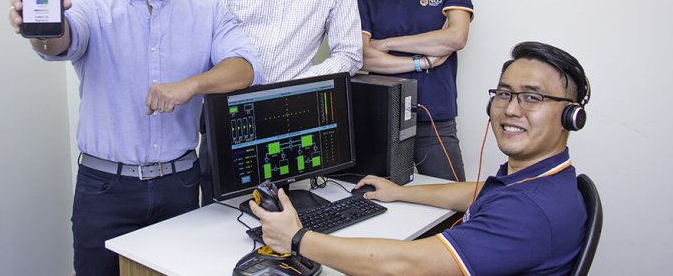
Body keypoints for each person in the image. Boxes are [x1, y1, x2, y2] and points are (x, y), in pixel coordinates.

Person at [7, 0, 262, 276]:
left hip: (178, 186)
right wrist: (41, 29)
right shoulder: (88, 8)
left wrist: (189, 85)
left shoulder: (206, 11)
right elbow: (60, 42)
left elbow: (245, 68)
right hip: (104, 192)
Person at [252, 41, 590, 275]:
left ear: (570, 116)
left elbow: (405, 267)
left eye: (532, 97)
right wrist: (399, 192)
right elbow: (484, 190)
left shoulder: (529, 211)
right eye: (504, 94)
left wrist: (298, 239)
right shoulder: (541, 180)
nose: (511, 109)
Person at [200, 0, 363, 204]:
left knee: (286, 224)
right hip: (231, 118)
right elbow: (209, 45)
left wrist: (296, 89)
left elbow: (350, 53)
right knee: (215, 223)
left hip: (293, 122)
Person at [357, 0, 473, 181]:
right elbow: (363, 57)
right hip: (383, 121)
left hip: (435, 120)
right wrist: (422, 61)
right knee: (381, 207)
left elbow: (456, 37)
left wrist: (388, 43)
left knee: (453, 209)